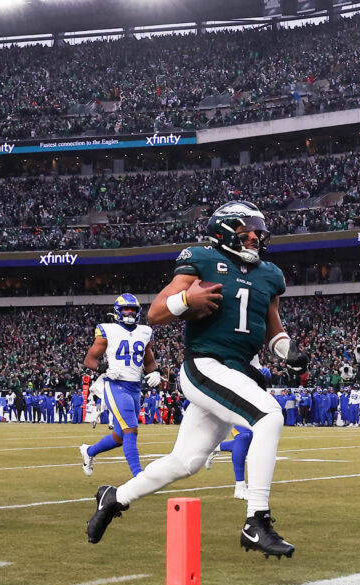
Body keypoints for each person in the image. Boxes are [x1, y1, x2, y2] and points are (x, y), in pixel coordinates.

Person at [86, 200, 305, 558]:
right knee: (268, 416)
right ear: (224, 232)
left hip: (239, 371)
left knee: (185, 461)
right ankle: (256, 521)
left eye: (258, 232)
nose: (254, 238)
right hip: (205, 365)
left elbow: (274, 333)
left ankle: (115, 497)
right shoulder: (202, 259)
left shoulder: (269, 275)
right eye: (245, 231)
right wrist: (187, 297)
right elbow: (156, 313)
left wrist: (290, 351)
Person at [79, 294, 163, 477]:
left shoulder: (145, 331)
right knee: (131, 429)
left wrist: (155, 372)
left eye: (133, 309)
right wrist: (104, 368)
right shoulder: (107, 330)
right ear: (118, 311)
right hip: (115, 385)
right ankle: (139, 477)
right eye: (127, 308)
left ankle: (89, 452)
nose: (130, 312)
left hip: (135, 388)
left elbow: (149, 360)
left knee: (119, 437)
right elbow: (89, 359)